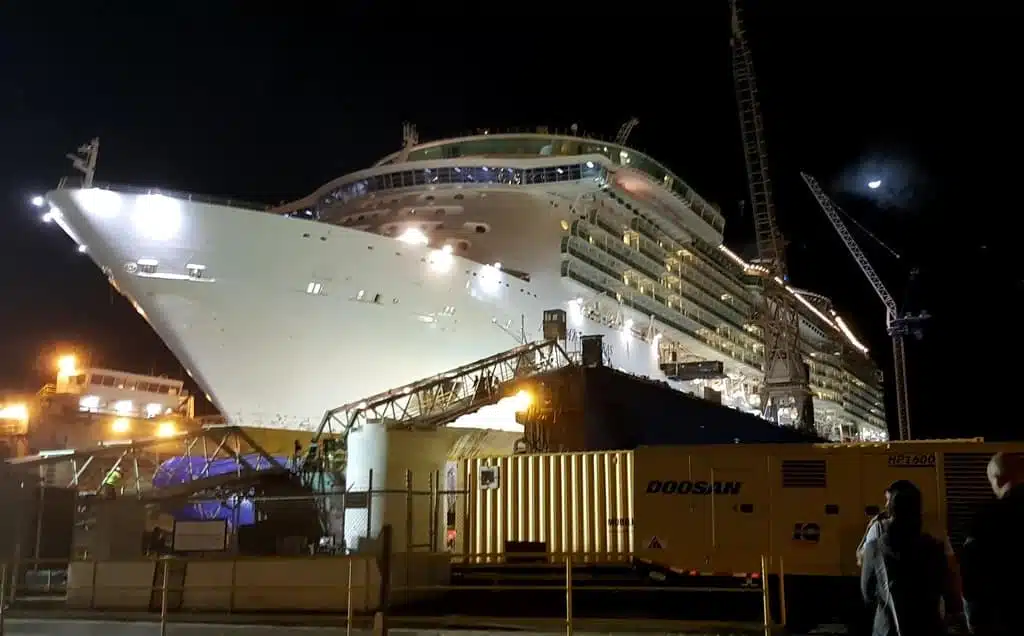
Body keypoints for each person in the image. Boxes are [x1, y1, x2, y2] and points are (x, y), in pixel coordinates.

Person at [861, 483, 959, 636]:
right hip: (928, 626)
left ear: (891, 507)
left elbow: (867, 592)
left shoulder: (875, 545)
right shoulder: (934, 546)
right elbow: (948, 587)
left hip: (888, 627)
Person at [960, 452, 1024, 635]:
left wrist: (975, 623)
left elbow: (970, 581)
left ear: (996, 479)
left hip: (1003, 619)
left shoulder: (984, 519)